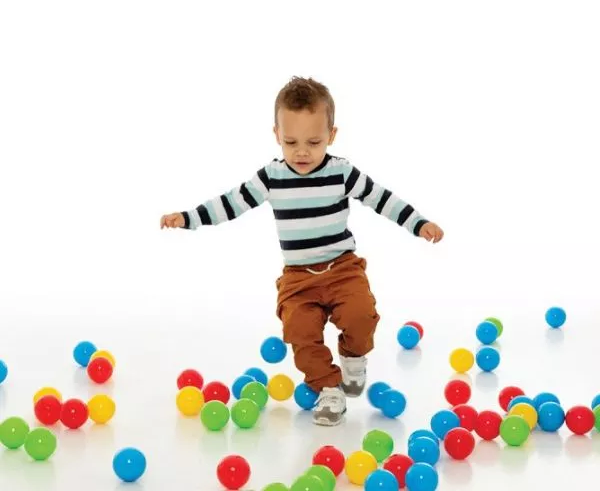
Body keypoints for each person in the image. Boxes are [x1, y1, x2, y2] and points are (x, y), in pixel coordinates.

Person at [160, 76, 444, 426]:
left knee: (361, 315)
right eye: (291, 142)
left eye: (314, 141)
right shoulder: (272, 177)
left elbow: (382, 199)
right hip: (297, 279)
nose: (302, 152)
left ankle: (353, 357)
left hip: (342, 269)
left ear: (332, 135)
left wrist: (418, 223)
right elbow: (230, 203)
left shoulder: (342, 172)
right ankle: (329, 388)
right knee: (299, 332)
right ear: (277, 134)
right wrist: (187, 218)